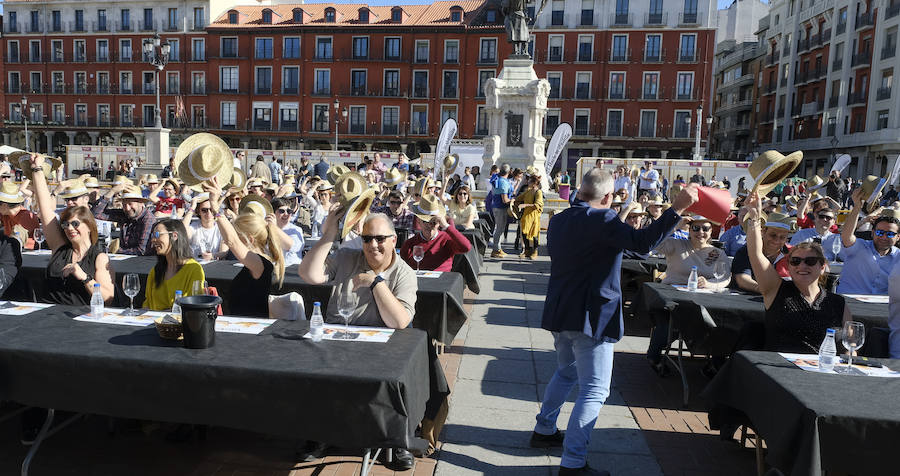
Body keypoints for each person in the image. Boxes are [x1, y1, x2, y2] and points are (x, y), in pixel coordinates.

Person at [532, 168, 697, 476]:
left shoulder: (559, 219)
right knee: (594, 390)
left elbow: (600, 241)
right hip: (591, 315)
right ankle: (573, 462)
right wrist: (676, 208)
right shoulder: (604, 220)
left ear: (581, 191)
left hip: (561, 310)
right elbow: (643, 243)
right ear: (608, 197)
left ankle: (544, 429)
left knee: (566, 373)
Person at [297, 209, 418, 469]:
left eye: (380, 238)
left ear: (394, 240)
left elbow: (399, 321)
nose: (373, 245)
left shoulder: (404, 273)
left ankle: (396, 439)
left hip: (381, 348)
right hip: (338, 340)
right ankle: (319, 432)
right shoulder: (347, 258)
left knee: (394, 379)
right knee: (307, 370)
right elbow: (308, 275)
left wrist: (376, 282)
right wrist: (329, 234)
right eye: (366, 239)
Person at [744, 192, 850, 353]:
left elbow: (850, 347)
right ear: (789, 266)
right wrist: (754, 217)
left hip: (823, 367)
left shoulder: (838, 303)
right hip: (776, 365)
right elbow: (756, 254)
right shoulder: (775, 290)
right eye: (795, 261)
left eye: (810, 261)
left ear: (822, 267)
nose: (802, 266)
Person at [646, 215, 732, 372]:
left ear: (711, 231)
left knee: (722, 323)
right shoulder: (676, 244)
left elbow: (725, 278)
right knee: (668, 325)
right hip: (673, 298)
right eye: (696, 228)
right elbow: (652, 244)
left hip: (703, 300)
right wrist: (675, 226)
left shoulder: (717, 253)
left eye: (705, 228)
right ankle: (654, 357)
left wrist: (710, 284)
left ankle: (715, 365)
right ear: (689, 230)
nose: (701, 232)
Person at [29, 154, 115, 305]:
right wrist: (37, 169)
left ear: (89, 226)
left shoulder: (99, 258)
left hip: (78, 315)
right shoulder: (60, 247)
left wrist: (84, 277)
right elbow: (45, 208)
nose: (69, 228)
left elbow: (107, 299)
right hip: (46, 313)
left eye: (75, 224)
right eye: (65, 224)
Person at [208, 180, 286, 317]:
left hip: (251, 325)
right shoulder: (259, 261)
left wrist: (215, 207)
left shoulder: (259, 262)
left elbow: (232, 241)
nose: (235, 237)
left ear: (249, 239)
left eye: (238, 235)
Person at [837, 188, 900, 295]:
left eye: (890, 234)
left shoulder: (898, 257)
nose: (884, 237)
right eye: (880, 232)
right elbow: (846, 236)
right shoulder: (860, 247)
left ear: (898, 237)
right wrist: (857, 206)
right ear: (872, 233)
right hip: (850, 302)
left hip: (882, 304)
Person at [143, 219, 206, 311]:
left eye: (157, 234)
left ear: (174, 236)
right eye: (152, 235)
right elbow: (147, 304)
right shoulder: (155, 271)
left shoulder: (193, 269)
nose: (153, 240)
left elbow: (193, 306)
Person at [400, 195, 471, 272]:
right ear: (418, 221)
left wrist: (446, 226)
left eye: (433, 222)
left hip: (442, 278)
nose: (429, 225)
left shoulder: (446, 240)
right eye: (425, 221)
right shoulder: (410, 244)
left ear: (439, 223)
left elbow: (466, 247)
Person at [730, 213, 793, 293]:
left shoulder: (793, 254)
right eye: (773, 235)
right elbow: (742, 279)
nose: (777, 240)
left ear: (787, 238)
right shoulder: (746, 251)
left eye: (782, 237)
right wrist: (765, 290)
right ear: (763, 232)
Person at [93, 183, 156, 255]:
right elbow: (96, 213)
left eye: (130, 204)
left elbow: (142, 250)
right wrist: (112, 191)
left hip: (143, 260)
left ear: (141, 203)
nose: (127, 208)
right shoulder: (124, 214)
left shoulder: (148, 219)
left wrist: (118, 250)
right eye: (124, 204)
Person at [181, 193, 227, 260]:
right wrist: (192, 208)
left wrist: (212, 256)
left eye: (211, 210)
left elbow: (224, 252)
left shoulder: (221, 228)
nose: (209, 213)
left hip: (214, 264)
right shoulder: (193, 227)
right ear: (198, 211)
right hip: (195, 263)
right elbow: (181, 231)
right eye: (204, 210)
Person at [0, 182, 40, 249]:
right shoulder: (5, 214)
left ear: (4, 205)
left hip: (25, 252)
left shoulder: (26, 217)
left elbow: (18, 242)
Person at [515, 174, 544, 259]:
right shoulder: (528, 191)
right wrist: (513, 200)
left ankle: (535, 251)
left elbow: (537, 205)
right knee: (524, 233)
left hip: (534, 216)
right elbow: (519, 198)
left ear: (535, 183)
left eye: (530, 181)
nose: (528, 182)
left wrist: (525, 205)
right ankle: (527, 251)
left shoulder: (538, 192)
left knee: (534, 235)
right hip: (526, 216)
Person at [272, 197, 304, 266]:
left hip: (291, 269)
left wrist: (274, 227)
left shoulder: (296, 230)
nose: (286, 214)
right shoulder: (266, 229)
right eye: (282, 211)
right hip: (273, 267)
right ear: (273, 213)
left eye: (289, 211)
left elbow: (290, 246)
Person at [490, 164, 512, 258]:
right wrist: (513, 201)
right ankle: (496, 250)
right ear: (509, 172)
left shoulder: (497, 179)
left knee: (499, 228)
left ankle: (497, 248)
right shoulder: (503, 182)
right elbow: (505, 200)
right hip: (501, 208)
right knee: (500, 229)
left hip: (496, 206)